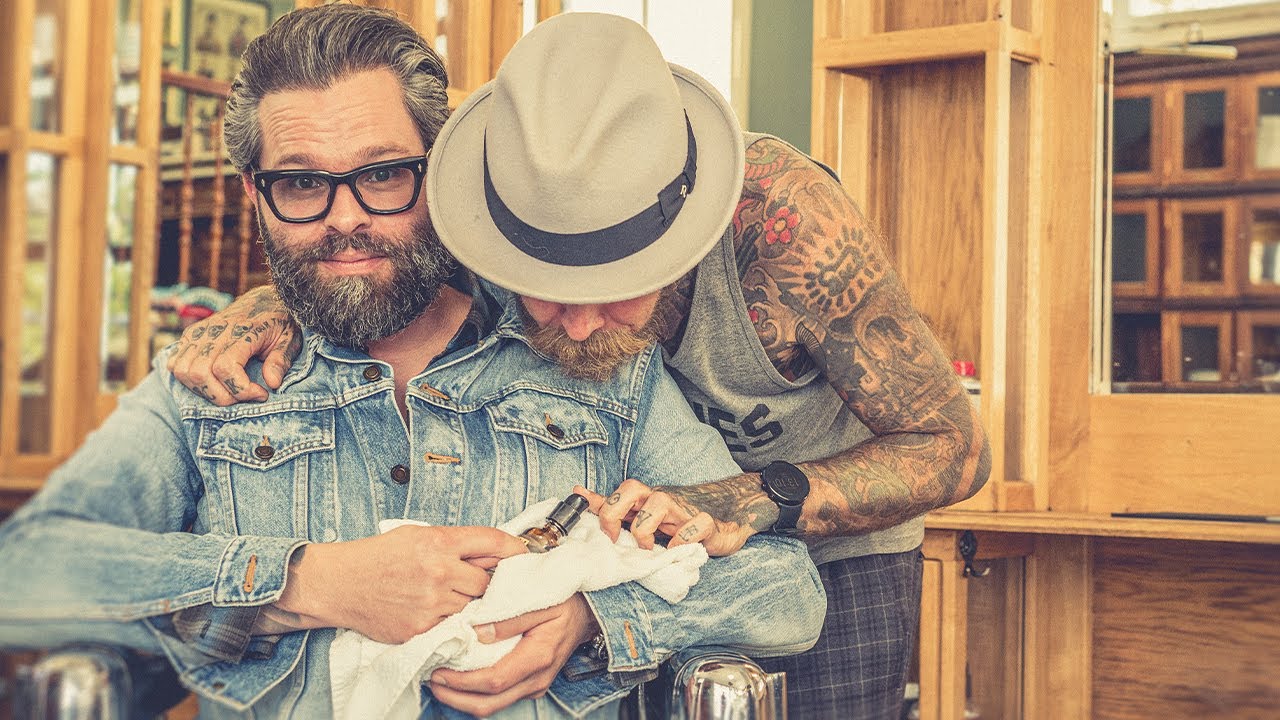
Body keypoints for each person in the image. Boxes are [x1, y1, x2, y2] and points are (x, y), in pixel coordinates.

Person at [0, 6, 828, 719]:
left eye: (385, 175)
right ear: (256, 194)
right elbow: (27, 570)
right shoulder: (213, 386)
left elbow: (784, 593)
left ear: (442, 173)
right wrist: (306, 582)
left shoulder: (594, 368)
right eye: (300, 185)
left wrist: (595, 618)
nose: (344, 220)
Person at [171, 10, 993, 720]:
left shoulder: (785, 229)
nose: (580, 322)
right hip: (613, 549)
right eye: (544, 287)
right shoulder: (499, 192)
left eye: (616, 286)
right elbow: (361, 247)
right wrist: (266, 304)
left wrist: (745, 497)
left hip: (825, 548)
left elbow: (954, 447)